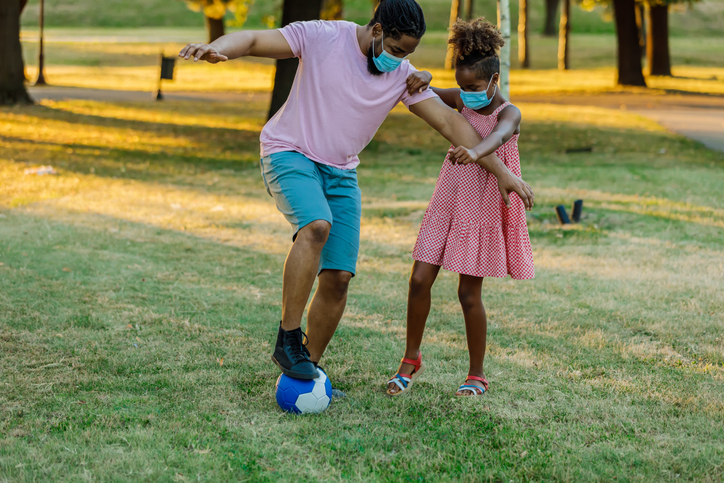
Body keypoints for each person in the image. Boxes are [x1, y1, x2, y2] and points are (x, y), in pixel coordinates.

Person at [179, 0, 534, 390]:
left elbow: (450, 121)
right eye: (397, 50)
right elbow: (252, 39)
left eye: (409, 55)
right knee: (316, 227)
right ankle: (288, 337)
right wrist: (220, 50)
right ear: (378, 29)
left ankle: (305, 370)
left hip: (341, 171)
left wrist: (501, 172)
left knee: (339, 277)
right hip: (289, 152)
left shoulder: (402, 74)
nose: (400, 61)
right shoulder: (322, 36)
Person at [386, 17, 535, 397]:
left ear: (493, 81)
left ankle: (476, 373)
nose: (466, 94)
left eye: (472, 87)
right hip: (449, 199)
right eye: (462, 86)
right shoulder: (463, 96)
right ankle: (410, 358)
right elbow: (433, 89)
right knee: (419, 279)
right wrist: (426, 73)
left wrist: (476, 150)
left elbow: (499, 135)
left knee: (468, 295)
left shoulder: (509, 113)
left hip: (482, 208)